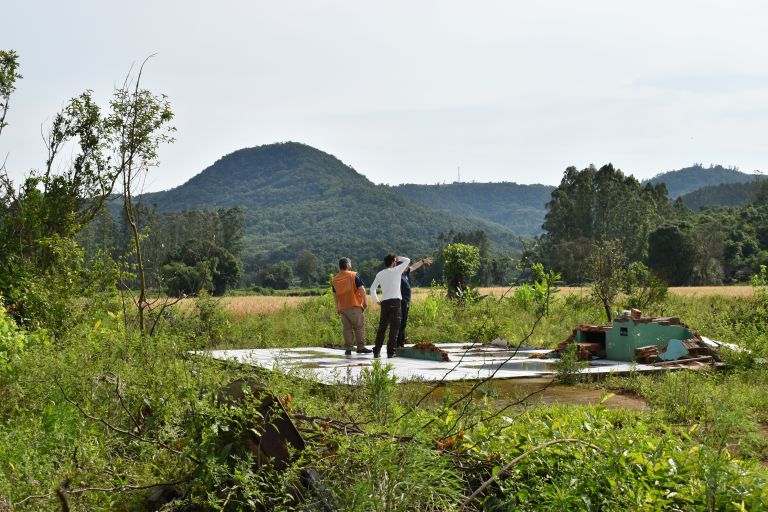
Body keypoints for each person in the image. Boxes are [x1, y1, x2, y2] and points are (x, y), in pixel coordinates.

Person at [370, 253, 410, 358]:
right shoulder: (396, 271)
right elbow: (408, 260)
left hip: (384, 303)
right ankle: (390, 352)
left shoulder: (380, 274)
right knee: (394, 329)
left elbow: (372, 288)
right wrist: (398, 258)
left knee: (382, 328)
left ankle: (376, 351)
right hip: (396, 302)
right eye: (395, 261)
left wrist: (376, 300)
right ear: (393, 262)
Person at [332, 257, 372, 356]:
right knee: (358, 327)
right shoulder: (353, 275)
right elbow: (361, 288)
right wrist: (365, 302)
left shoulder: (335, 280)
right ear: (348, 265)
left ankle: (348, 349)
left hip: (342, 308)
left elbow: (335, 295)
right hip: (354, 306)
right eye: (350, 263)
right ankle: (360, 347)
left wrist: (338, 307)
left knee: (347, 329)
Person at [396, 257, 433, 347]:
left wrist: (423, 261)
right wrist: (398, 258)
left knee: (404, 321)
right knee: (401, 322)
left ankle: (401, 342)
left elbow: (414, 266)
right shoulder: (397, 274)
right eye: (406, 265)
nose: (408, 266)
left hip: (406, 301)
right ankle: (397, 343)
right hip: (401, 301)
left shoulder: (405, 273)